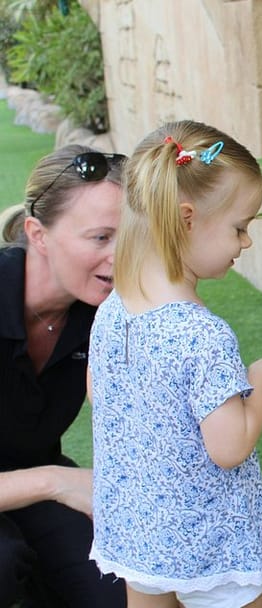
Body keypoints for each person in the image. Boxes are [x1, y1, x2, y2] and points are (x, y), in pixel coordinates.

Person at [86, 120, 262, 608]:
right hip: (213, 544)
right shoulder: (202, 334)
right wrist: (260, 381)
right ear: (186, 219)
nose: (246, 242)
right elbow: (230, 446)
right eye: (240, 227)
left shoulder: (111, 311)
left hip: (141, 538)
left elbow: (99, 394)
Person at [0, 145, 127, 606]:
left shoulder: (106, 314)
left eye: (132, 236)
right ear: (38, 234)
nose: (122, 256)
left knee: (123, 587)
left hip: (30, 487)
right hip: (39, 482)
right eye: (101, 237)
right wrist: (56, 481)